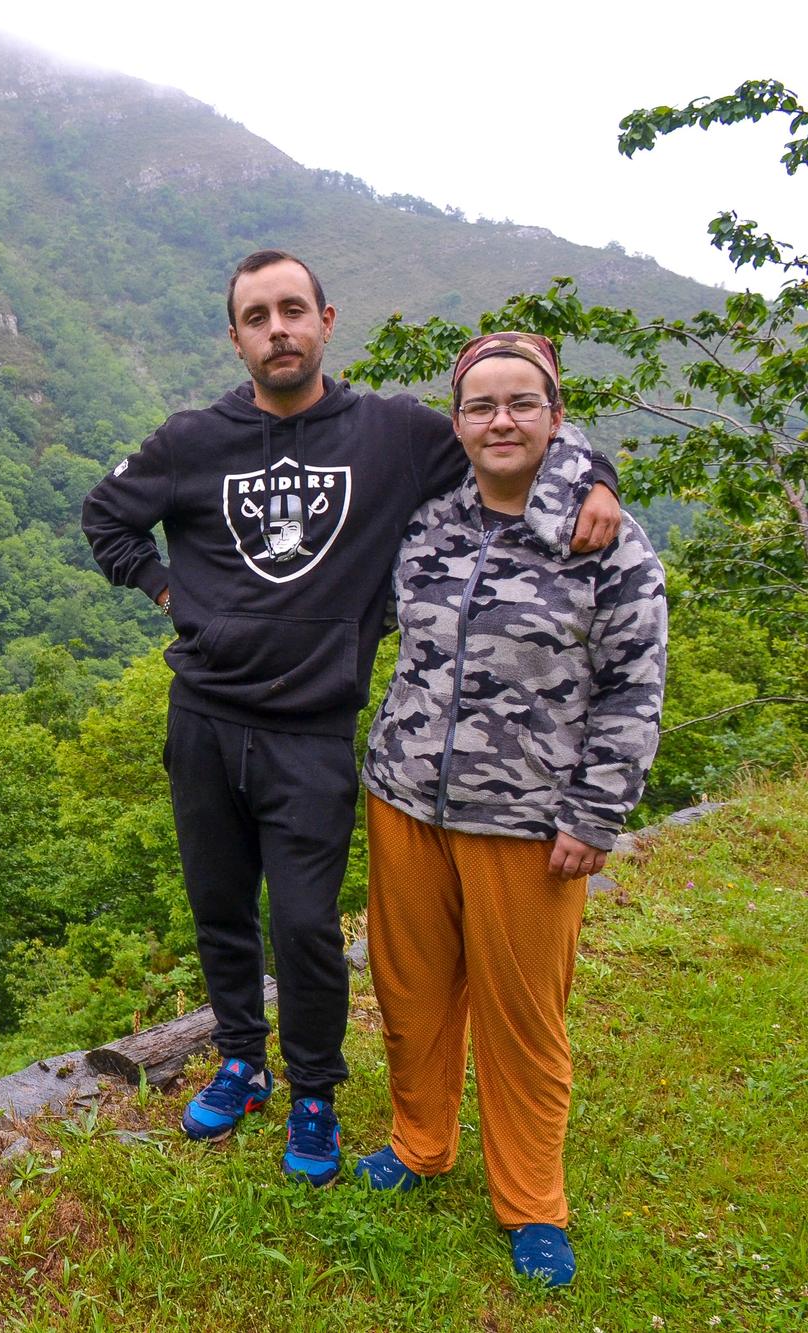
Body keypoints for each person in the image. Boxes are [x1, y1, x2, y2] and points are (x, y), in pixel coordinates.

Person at [80, 251, 622, 1185]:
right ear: (236, 336)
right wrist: (172, 592)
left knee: (304, 926)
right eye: (258, 316)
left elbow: (514, 430)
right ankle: (243, 1061)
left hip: (314, 728)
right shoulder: (191, 439)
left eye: (294, 310)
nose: (278, 328)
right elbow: (106, 518)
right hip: (204, 717)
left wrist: (598, 475)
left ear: (327, 320)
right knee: (220, 912)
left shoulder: (392, 433)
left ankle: (317, 1093)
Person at [353, 331, 667, 1288]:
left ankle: (532, 1199)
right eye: (481, 405)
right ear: (458, 423)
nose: (501, 420)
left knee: (524, 1016)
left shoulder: (604, 539)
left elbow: (632, 686)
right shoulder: (430, 522)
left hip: (529, 822)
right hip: (405, 797)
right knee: (410, 994)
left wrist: (596, 812)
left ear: (556, 416)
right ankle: (419, 1142)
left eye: (521, 403)